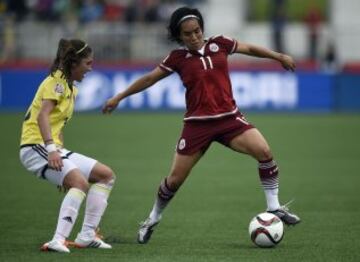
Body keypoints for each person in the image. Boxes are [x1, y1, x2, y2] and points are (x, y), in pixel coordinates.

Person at [103, 6, 300, 244]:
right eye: (188, 34)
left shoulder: (220, 44)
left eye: (197, 31)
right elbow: (149, 79)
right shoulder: (176, 58)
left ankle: (274, 207)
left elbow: (249, 48)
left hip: (229, 119)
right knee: (174, 180)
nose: (194, 37)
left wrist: (278, 56)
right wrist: (119, 97)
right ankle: (153, 218)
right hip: (197, 125)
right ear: (179, 36)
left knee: (265, 152)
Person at [20, 39, 115, 252]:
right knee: (79, 183)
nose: (90, 68)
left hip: (52, 147)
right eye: (88, 64)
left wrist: (64, 163)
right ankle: (58, 240)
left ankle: (87, 235)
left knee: (106, 175)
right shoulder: (56, 83)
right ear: (74, 64)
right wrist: (53, 151)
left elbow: (57, 124)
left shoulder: (71, 88)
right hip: (34, 146)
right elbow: (42, 117)